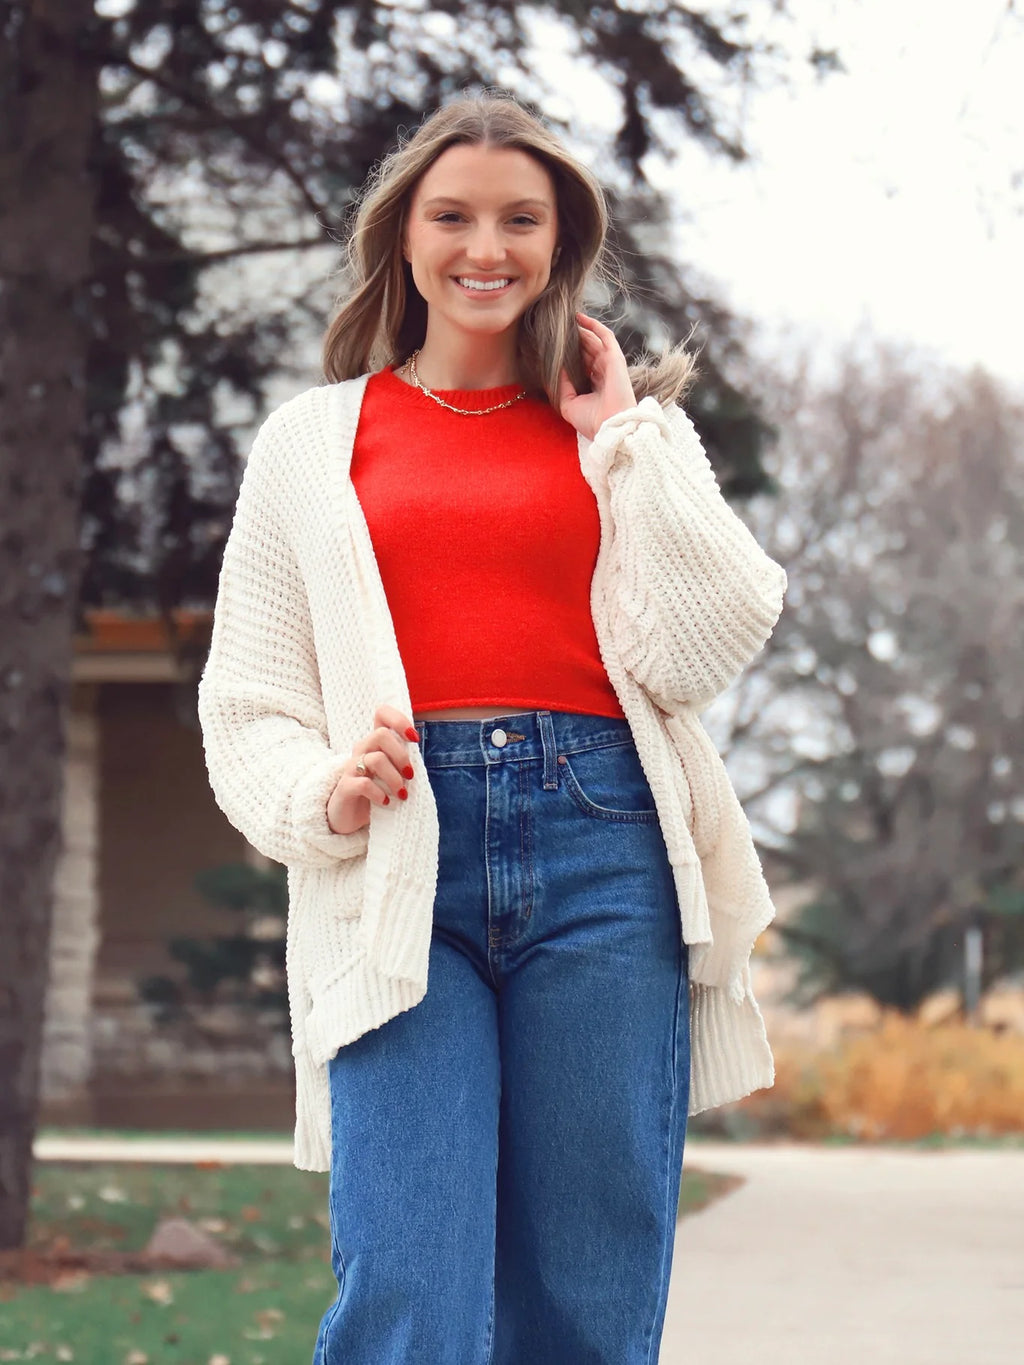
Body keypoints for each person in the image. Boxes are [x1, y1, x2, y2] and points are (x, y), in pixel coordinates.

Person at [197, 91, 787, 1365]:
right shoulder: (311, 444)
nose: (486, 247)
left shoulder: (622, 436)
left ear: (559, 241)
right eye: (452, 216)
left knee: (584, 1288)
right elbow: (249, 700)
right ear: (401, 240)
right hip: (399, 857)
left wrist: (623, 437)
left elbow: (712, 638)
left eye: (521, 220)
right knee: (407, 1280)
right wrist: (322, 789)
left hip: (605, 847)